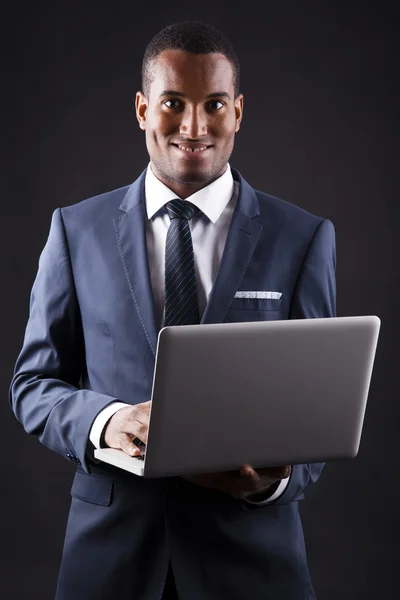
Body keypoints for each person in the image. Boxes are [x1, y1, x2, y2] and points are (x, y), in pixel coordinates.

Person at [9, 21, 336, 600]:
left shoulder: (302, 238)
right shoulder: (75, 231)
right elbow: (33, 385)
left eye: (213, 104)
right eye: (172, 103)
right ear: (141, 110)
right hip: (110, 563)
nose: (193, 126)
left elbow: (317, 415)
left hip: (252, 565)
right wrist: (108, 421)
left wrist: (268, 486)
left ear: (237, 112)